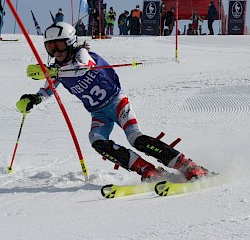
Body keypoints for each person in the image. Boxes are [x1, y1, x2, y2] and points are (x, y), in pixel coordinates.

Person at [17, 22, 209, 182]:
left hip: (117, 103)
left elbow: (83, 68)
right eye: (50, 47)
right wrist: (33, 99)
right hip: (98, 113)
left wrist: (53, 72)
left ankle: (186, 165)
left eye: (58, 45)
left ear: (70, 42)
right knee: (97, 141)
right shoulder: (57, 69)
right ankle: (147, 170)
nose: (55, 51)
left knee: (136, 139)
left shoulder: (81, 54)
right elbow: (47, 90)